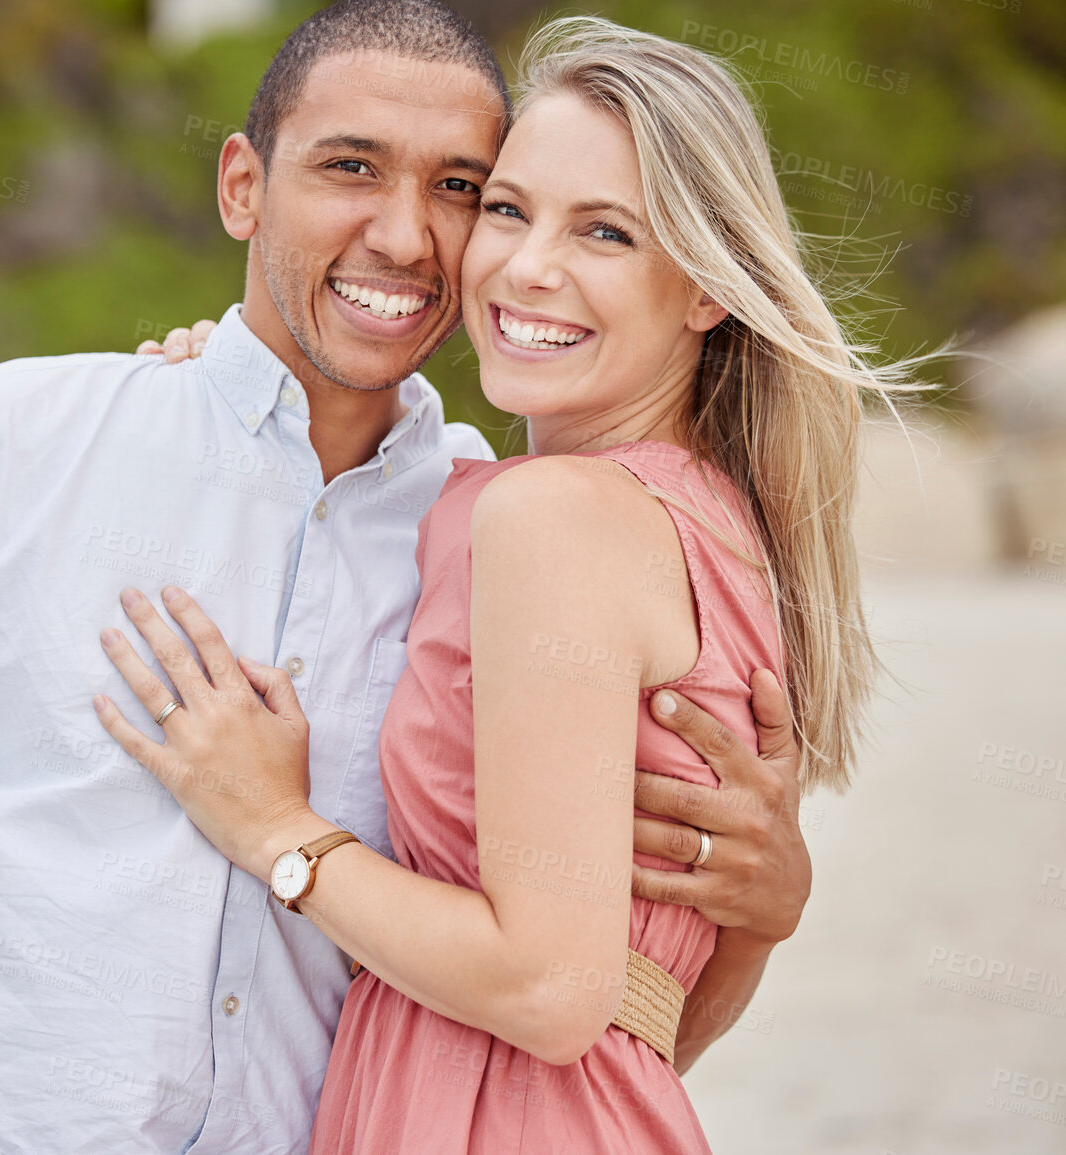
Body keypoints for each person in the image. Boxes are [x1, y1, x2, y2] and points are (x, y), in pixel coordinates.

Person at [0, 4, 812, 1152]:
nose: (405, 236)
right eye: (349, 168)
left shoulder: (489, 531)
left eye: (461, 189)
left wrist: (763, 910)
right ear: (243, 186)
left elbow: (580, 1023)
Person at [93, 15, 914, 1153]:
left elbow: (546, 993)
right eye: (509, 210)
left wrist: (275, 829)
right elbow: (636, 1024)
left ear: (707, 290)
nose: (529, 266)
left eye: (608, 233)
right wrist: (230, 375)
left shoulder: (552, 518)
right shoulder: (711, 527)